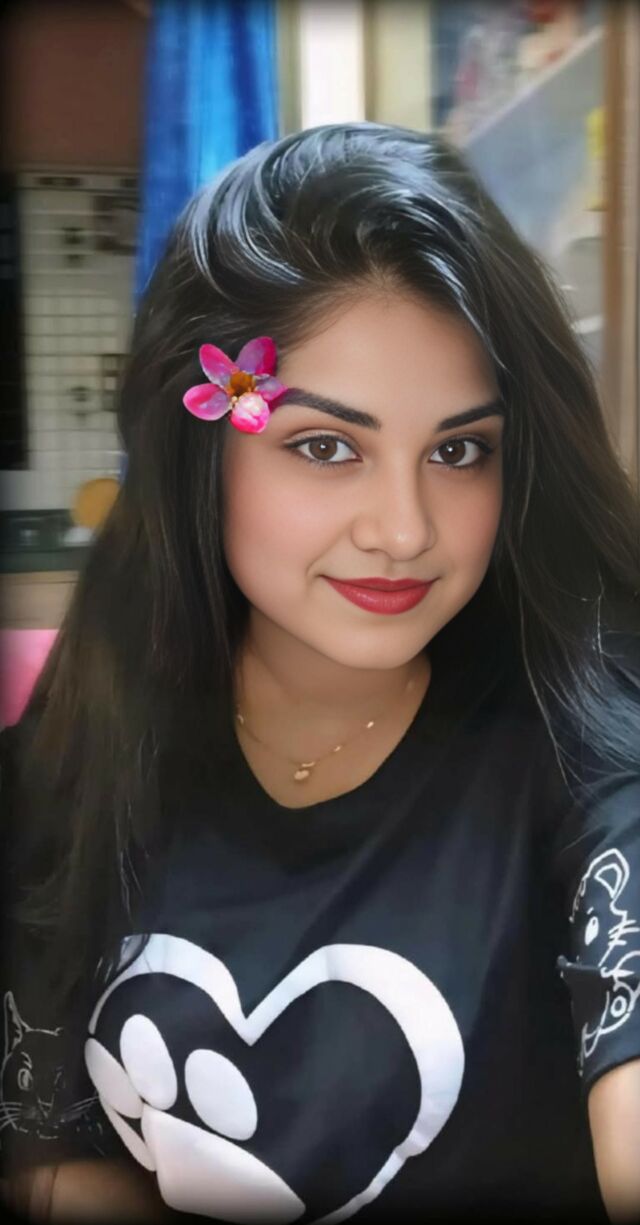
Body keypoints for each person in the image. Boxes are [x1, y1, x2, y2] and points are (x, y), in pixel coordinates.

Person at [1, 121, 639, 1224]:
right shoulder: (78, 761)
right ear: (202, 452)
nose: (405, 529)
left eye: (459, 450)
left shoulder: (584, 746)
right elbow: (53, 1153)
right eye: (325, 446)